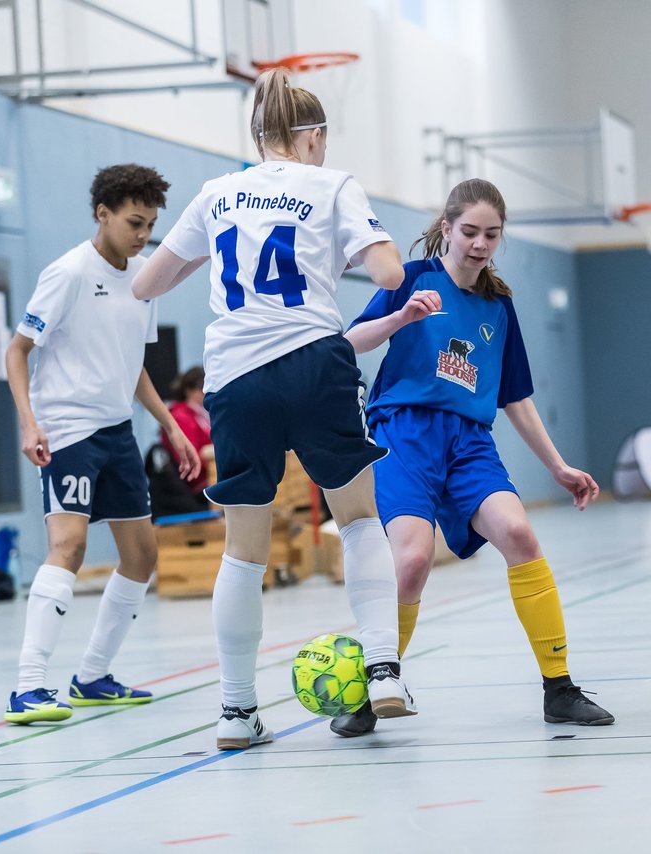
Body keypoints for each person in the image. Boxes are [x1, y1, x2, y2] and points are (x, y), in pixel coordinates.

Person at [132, 70, 416, 751]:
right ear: (313, 136)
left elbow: (145, 281)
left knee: (244, 550)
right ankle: (382, 669)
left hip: (235, 378)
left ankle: (235, 712)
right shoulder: (332, 183)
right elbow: (389, 274)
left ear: (257, 139)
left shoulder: (216, 194)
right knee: (356, 517)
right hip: (315, 362)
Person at [336, 178, 614, 738]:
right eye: (469, 231)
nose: (480, 244)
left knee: (519, 535)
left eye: (491, 234)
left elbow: (515, 395)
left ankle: (559, 689)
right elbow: (350, 341)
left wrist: (558, 465)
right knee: (410, 562)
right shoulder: (412, 278)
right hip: (402, 435)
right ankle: (375, 687)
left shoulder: (499, 305)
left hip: (469, 443)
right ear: (446, 228)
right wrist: (400, 319)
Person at [5, 164, 201, 725]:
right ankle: (27, 687)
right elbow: (16, 352)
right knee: (68, 547)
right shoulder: (67, 272)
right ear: (103, 214)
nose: (143, 235)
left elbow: (132, 364)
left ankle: (92, 675)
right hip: (67, 429)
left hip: (117, 431)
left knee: (142, 555)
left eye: (150, 225)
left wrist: (170, 423)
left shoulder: (145, 279)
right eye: (134, 222)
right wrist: (28, 423)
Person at [163, 366, 213, 496]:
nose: (206, 392)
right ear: (188, 391)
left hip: (210, 477)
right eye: (202, 389)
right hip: (198, 483)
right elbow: (189, 459)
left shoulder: (201, 414)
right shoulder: (181, 417)